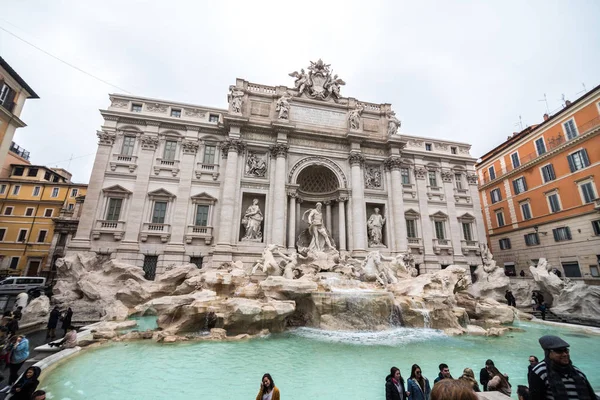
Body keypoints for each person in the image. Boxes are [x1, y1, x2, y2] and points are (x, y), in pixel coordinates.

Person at [529, 335, 597, 400]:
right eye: (559, 351)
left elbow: (592, 396)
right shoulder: (540, 372)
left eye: (566, 350)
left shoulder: (578, 372)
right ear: (548, 353)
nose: (565, 354)